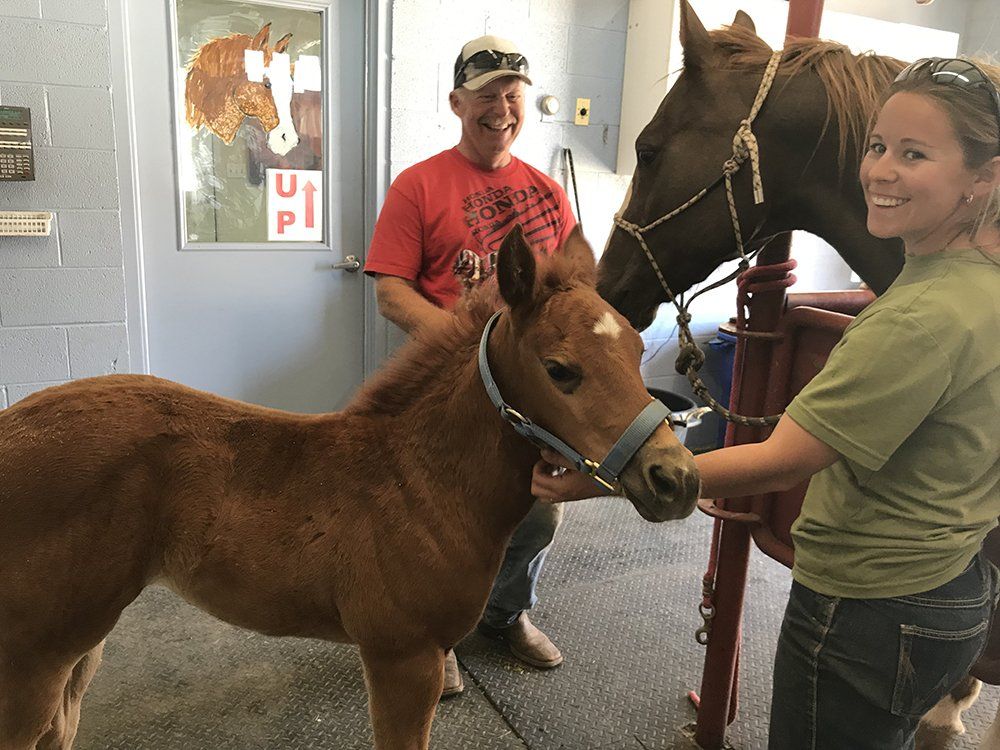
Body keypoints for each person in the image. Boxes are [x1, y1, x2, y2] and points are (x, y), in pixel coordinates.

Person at [531, 56, 1000, 749]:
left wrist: (600, 479)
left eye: (914, 154)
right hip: (951, 588)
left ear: (982, 180)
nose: (879, 170)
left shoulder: (914, 318)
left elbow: (783, 463)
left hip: (863, 608)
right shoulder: (981, 286)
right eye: (875, 146)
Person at [364, 35, 578, 699]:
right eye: (487, 93)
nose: (502, 106)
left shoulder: (546, 194)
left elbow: (570, 294)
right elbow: (390, 288)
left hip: (524, 394)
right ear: (459, 102)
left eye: (512, 92)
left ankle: (505, 614)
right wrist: (461, 345)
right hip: (447, 390)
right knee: (432, 520)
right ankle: (438, 634)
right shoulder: (419, 184)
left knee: (538, 512)